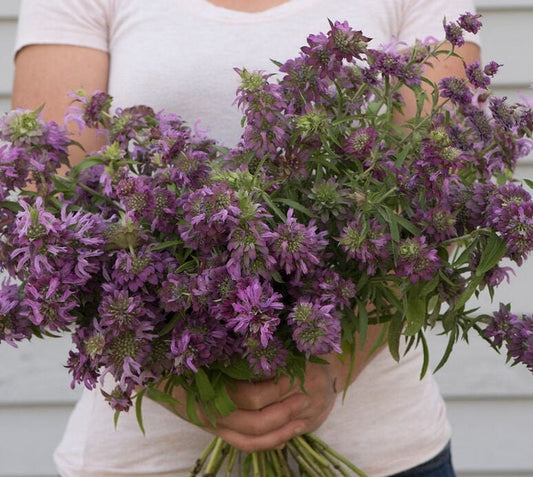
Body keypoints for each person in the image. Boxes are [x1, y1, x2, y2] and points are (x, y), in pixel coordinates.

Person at [11, 1, 480, 476]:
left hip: (379, 452)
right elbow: (50, 218)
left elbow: (442, 201)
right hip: (148, 460)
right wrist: (185, 381)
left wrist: (337, 363)